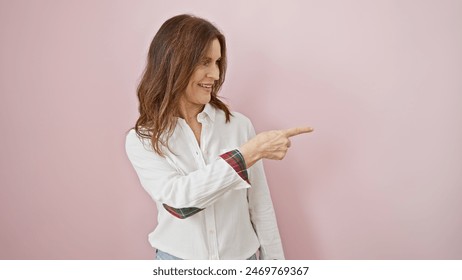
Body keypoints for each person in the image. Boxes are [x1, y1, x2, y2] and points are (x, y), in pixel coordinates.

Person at [125, 14, 312, 260]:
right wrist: (248, 154)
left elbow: (260, 206)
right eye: (205, 62)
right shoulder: (143, 140)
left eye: (217, 62)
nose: (214, 74)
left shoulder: (239, 125)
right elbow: (180, 203)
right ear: (174, 64)